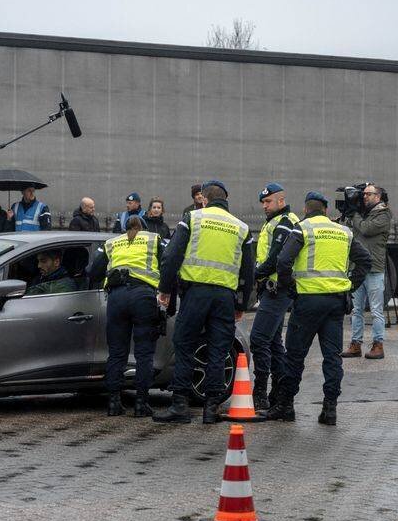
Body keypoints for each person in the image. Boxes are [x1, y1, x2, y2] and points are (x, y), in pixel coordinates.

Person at [152, 181, 255, 425]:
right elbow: (248, 271)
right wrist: (241, 304)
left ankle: (180, 405)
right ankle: (211, 409)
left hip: (195, 294)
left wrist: (165, 289)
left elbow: (172, 256)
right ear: (226, 200)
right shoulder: (241, 228)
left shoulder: (193, 219)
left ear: (204, 199)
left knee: (185, 345)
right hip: (225, 298)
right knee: (218, 350)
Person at [270, 192, 372, 425]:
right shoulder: (344, 232)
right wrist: (350, 285)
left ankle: (286, 406)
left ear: (306, 210)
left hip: (307, 302)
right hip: (335, 303)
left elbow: (283, 261)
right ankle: (330, 409)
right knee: (332, 357)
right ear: (326, 211)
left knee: (295, 356)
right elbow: (365, 260)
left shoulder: (303, 229)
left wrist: (291, 288)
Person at [88, 215, 164, 417]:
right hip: (143, 297)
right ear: (144, 227)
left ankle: (114, 403)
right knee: (144, 353)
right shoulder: (153, 239)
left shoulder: (112, 243)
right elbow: (168, 265)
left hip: (117, 298)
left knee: (116, 353)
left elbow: (93, 272)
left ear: (124, 227)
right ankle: (141, 404)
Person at [249, 183, 299, 411]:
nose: (264, 206)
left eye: (268, 202)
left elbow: (275, 259)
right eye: (263, 202)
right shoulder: (276, 221)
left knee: (259, 339)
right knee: (273, 342)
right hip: (274, 289)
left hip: (277, 290)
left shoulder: (285, 222)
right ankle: (278, 394)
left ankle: (260, 393)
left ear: (281, 200)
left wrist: (253, 276)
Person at [341, 183, 392, 360]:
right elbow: (351, 231)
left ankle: (378, 345)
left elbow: (366, 229)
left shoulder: (384, 215)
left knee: (376, 310)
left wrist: (354, 214)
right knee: (356, 310)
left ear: (378, 196)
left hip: (374, 269)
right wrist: (350, 214)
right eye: (363, 194)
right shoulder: (364, 214)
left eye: (368, 194)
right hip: (358, 268)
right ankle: (356, 344)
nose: (364, 197)